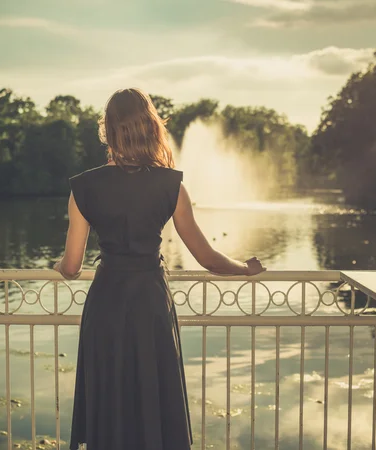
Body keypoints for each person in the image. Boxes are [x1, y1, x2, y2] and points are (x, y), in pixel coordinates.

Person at [53, 87, 265, 450]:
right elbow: (208, 257)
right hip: (151, 305)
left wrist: (58, 265)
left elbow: (72, 266)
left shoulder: (84, 187)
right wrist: (245, 268)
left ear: (108, 129)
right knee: (153, 399)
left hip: (106, 305)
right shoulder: (172, 186)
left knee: (110, 401)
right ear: (152, 128)